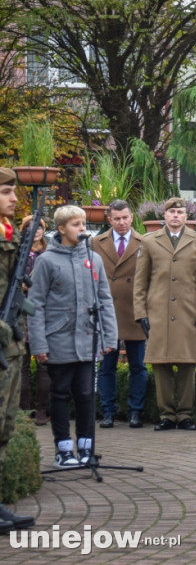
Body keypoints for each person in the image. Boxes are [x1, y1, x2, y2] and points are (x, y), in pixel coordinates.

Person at [28, 206, 118, 467]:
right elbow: (35, 305)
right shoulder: (46, 261)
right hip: (58, 339)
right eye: (75, 224)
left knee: (86, 394)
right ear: (61, 229)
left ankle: (86, 448)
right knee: (60, 394)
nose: (82, 229)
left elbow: (104, 299)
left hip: (87, 338)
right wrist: (39, 343)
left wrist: (109, 337)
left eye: (83, 223)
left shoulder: (94, 259)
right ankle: (63, 450)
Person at [134, 196, 196, 431]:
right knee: (161, 365)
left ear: (186, 217)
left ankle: (185, 414)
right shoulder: (149, 241)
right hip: (158, 312)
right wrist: (141, 313)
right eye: (171, 212)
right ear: (164, 216)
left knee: (187, 364)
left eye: (180, 212)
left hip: (188, 312)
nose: (175, 216)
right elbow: (140, 281)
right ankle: (166, 415)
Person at [0, 168, 36, 533]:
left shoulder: (8, 236)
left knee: (5, 426)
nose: (14, 198)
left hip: (9, 347)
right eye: (6, 192)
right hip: (3, 339)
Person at [93, 201, 147, 428]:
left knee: (138, 366)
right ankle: (108, 411)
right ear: (109, 220)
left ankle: (136, 411)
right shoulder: (96, 243)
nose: (122, 222)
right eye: (117, 219)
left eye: (125, 217)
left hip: (134, 310)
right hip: (107, 311)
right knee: (107, 367)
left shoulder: (144, 242)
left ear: (132, 217)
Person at [18, 215, 50, 426]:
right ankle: (23, 410)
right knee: (21, 364)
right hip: (20, 312)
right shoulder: (18, 253)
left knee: (44, 364)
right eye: (30, 227)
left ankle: (41, 410)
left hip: (43, 313)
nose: (36, 230)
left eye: (39, 227)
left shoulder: (49, 253)